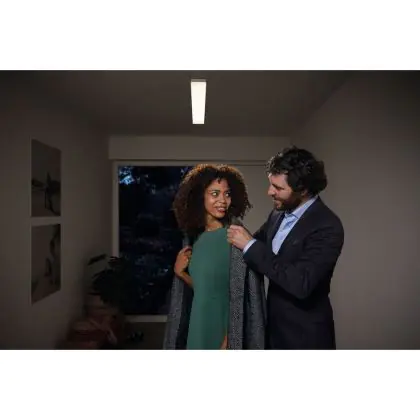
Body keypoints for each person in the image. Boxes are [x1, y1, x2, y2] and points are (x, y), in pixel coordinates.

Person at [227, 146, 344, 349]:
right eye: (270, 184)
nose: (269, 192)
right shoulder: (277, 214)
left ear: (303, 189)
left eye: (278, 188)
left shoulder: (328, 225)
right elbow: (251, 247)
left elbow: (301, 283)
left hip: (306, 339)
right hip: (273, 332)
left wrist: (250, 245)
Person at [163, 164, 266, 350]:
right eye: (215, 194)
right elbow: (205, 289)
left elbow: (239, 297)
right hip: (197, 325)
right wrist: (181, 274)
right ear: (199, 196)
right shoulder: (194, 239)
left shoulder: (235, 237)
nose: (222, 201)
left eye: (227, 194)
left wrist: (230, 339)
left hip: (221, 329)